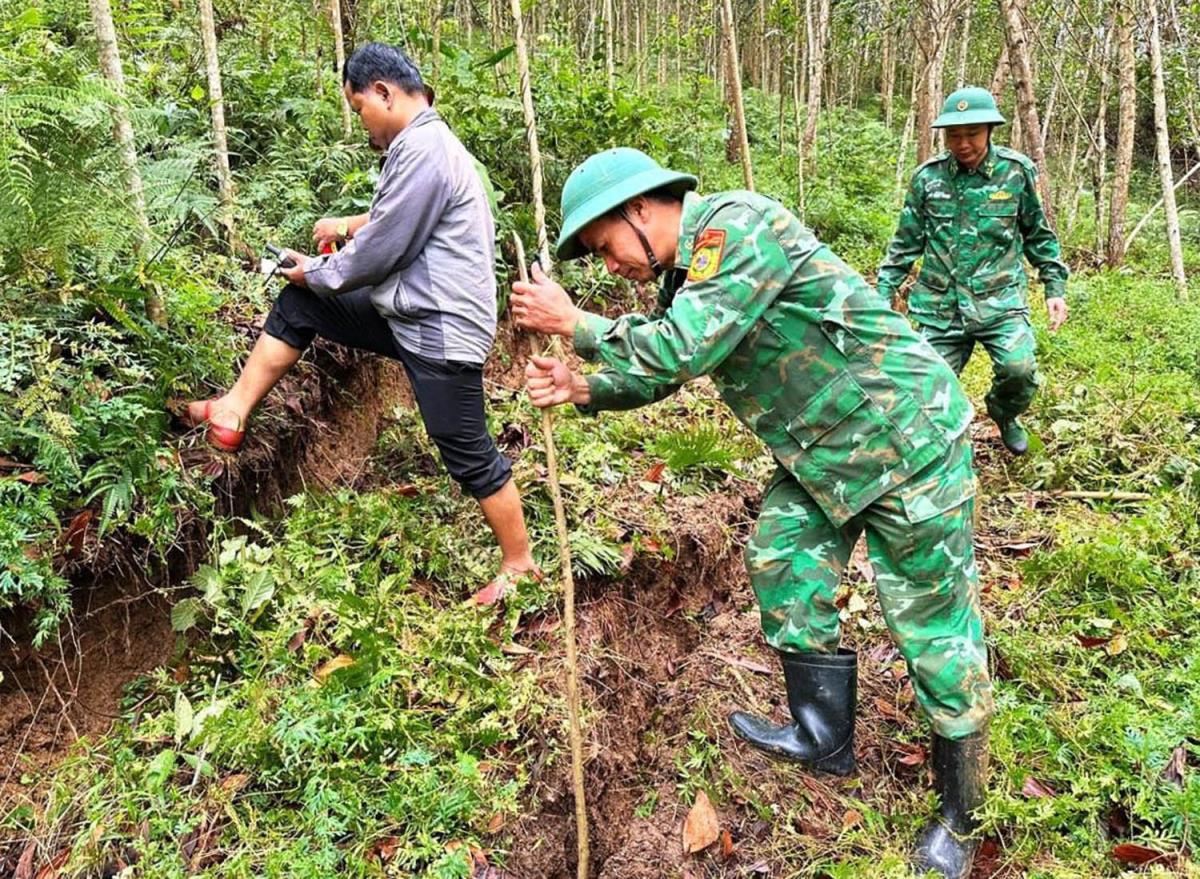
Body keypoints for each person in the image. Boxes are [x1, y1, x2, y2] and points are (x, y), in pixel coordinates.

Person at [511, 148, 993, 879]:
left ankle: (962, 815)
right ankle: (823, 735)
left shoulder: (737, 230)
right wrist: (585, 388)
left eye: (606, 247)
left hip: (904, 439)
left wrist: (576, 322)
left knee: (931, 624)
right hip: (825, 449)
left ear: (641, 211)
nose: (610, 267)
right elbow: (662, 370)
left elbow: (685, 347)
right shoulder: (691, 274)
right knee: (780, 555)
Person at [182, 43, 537, 592]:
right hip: (413, 313)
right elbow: (397, 218)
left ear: (384, 93)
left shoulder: (424, 150)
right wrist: (344, 229)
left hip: (439, 329)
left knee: (465, 450)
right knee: (302, 306)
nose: (363, 125)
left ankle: (519, 564)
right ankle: (231, 411)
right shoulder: (421, 146)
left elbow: (381, 253)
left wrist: (315, 272)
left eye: (360, 110)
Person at [877, 86, 1069, 456]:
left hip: (999, 302)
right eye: (954, 135)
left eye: (971, 134)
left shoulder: (1016, 173)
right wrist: (884, 288)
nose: (962, 143)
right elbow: (905, 241)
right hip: (941, 306)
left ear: (989, 131)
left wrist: (1054, 287)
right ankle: (942, 449)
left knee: (1019, 370)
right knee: (922, 389)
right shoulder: (927, 179)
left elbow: (1038, 233)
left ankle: (1004, 413)